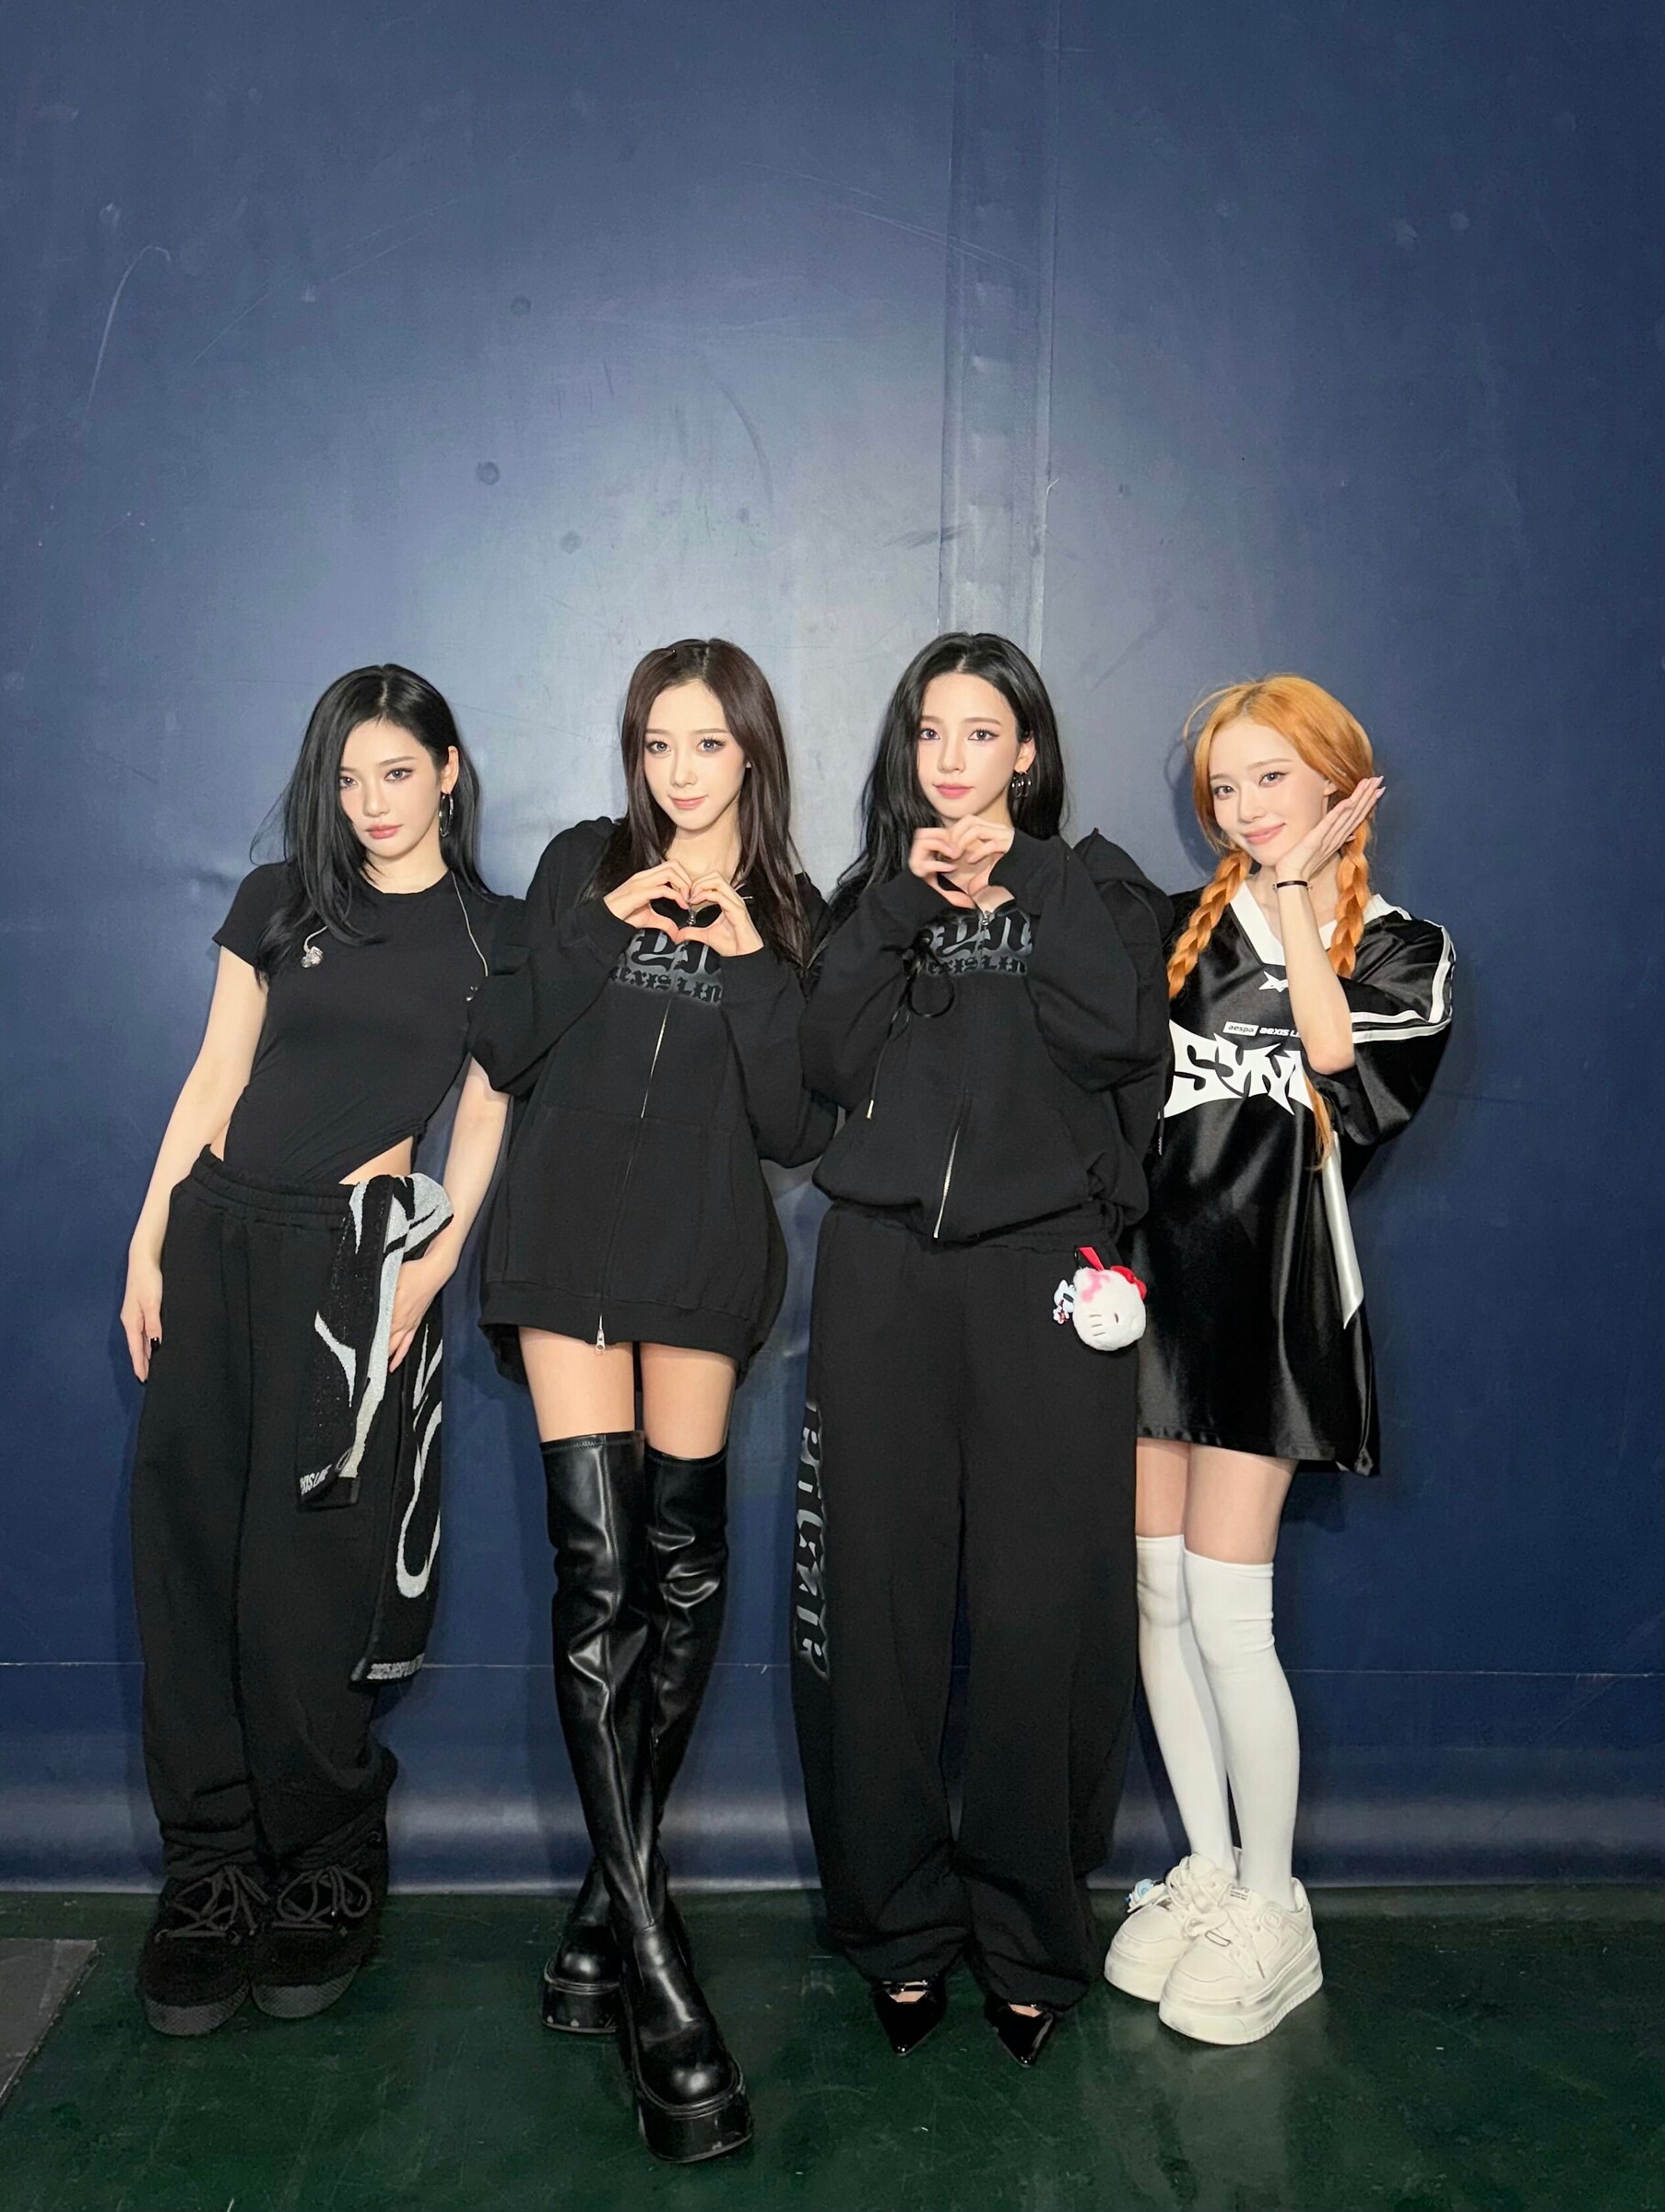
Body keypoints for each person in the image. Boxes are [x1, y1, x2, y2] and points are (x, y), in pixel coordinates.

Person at [466, 637, 829, 2164]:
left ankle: (601, 1919)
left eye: (706, 745)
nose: (679, 773)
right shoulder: (578, 867)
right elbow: (501, 1041)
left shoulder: (799, 915)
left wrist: (743, 957)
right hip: (562, 1251)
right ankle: (660, 1982)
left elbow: (797, 1124)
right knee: (599, 1579)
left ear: (751, 753)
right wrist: (603, 923)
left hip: (701, 1257)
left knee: (684, 1581)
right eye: (655, 746)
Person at [120, 665, 519, 2036]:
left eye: (397, 773)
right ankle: (210, 1872)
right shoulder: (279, 901)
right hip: (219, 1233)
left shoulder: (492, 937)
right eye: (349, 780)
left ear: (448, 772)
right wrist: (149, 1239)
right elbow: (215, 1075)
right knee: (189, 1560)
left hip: (351, 1265)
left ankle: (329, 1861)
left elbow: (483, 1115)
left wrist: (435, 1261)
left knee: (309, 1583)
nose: (372, 803)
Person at [791, 632, 1171, 2067]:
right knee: (876, 1616)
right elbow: (824, 1067)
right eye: (931, 733)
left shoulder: (1097, 888)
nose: (953, 759)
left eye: (982, 733)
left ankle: (1029, 1935)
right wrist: (901, 901)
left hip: (1045, 1283)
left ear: (1027, 752)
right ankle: (896, 1927)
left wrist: (1035, 883)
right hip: (882, 1279)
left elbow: (1124, 1037)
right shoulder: (866, 900)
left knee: (1038, 1620)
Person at [1104, 675, 1455, 2045]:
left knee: (1227, 1611)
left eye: (1271, 778)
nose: (1247, 807)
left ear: (1337, 783)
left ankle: (1273, 1903)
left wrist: (1301, 896)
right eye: (1226, 786)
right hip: (1151, 1301)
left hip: (1272, 1309)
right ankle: (1209, 1871)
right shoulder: (1168, 933)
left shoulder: (1406, 948)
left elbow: (1337, 1071)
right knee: (1153, 1595)